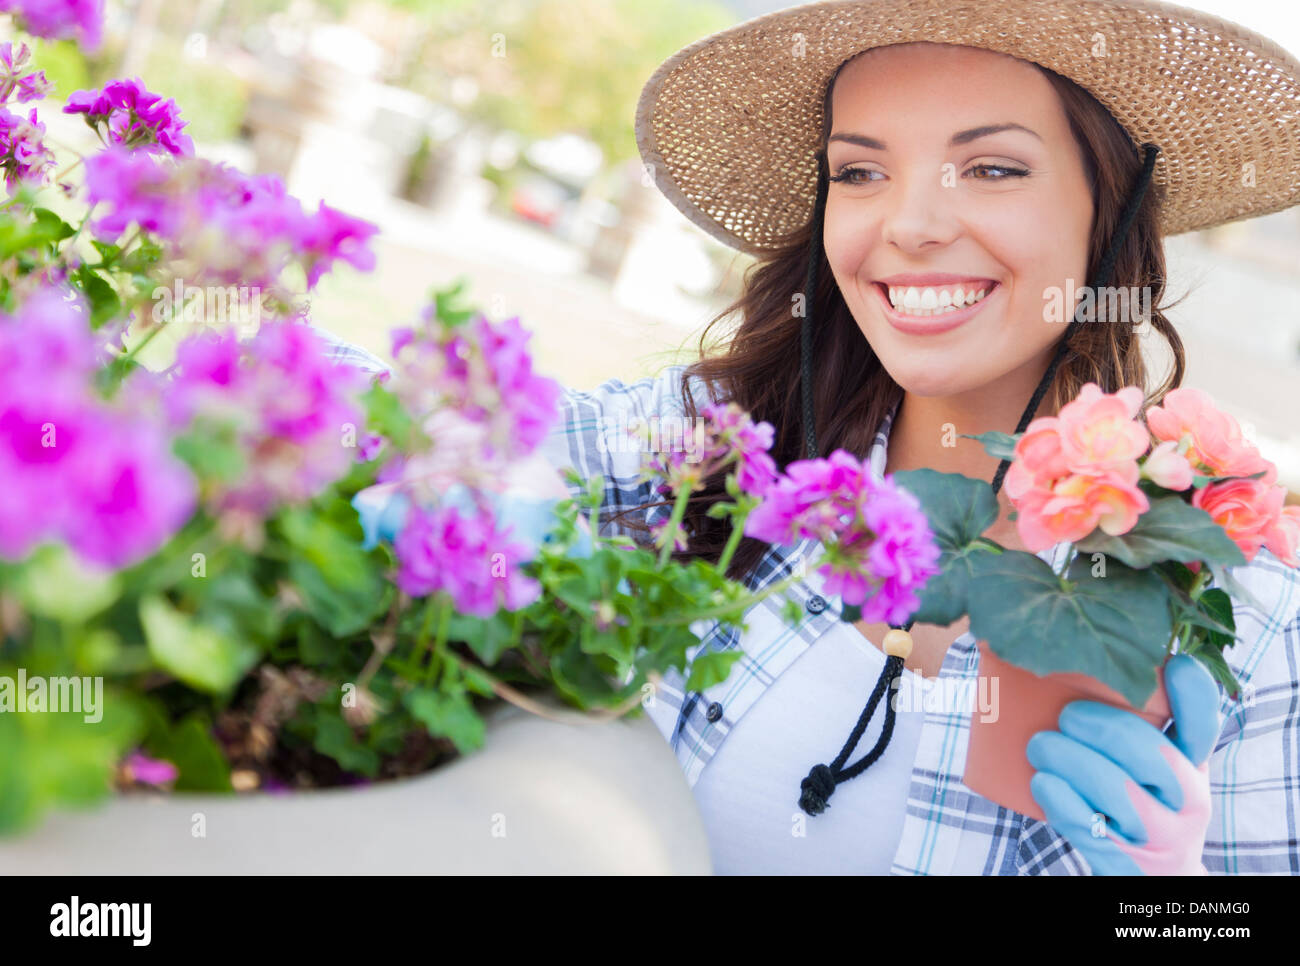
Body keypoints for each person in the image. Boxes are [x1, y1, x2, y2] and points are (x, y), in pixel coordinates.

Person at [533, 0, 1300, 875]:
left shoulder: (1252, 621)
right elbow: (421, 424)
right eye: (859, 173)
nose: (910, 225)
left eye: (993, 168)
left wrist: (1178, 894)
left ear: (1112, 207)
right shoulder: (720, 448)